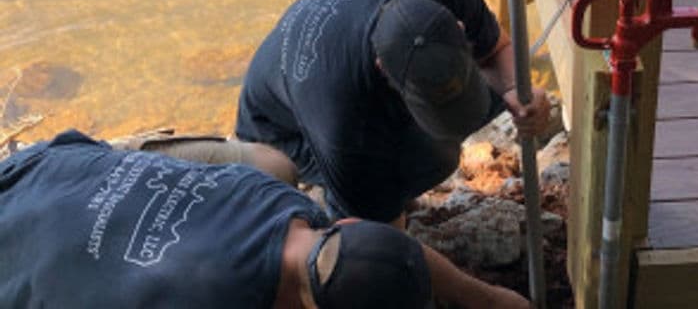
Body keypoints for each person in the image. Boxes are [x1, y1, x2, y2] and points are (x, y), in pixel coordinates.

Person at [0, 130, 529, 309]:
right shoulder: (218, 299)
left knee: (277, 165)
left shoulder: (285, 207)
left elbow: (384, 256)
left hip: (51, 164)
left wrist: (487, 299)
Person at [235, 0, 550, 223]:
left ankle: (386, 189)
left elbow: (494, 50)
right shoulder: (343, 117)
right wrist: (487, 298)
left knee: (465, 123)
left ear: (458, 28)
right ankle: (339, 203)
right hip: (279, 133)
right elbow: (385, 238)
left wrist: (519, 92)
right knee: (429, 160)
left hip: (339, 63)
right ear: (382, 69)